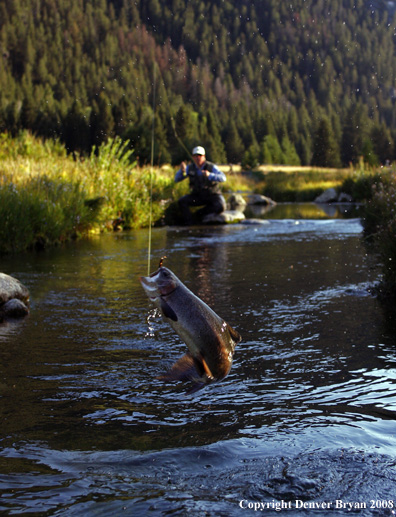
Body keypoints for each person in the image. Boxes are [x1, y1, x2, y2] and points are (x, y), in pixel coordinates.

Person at [174, 146, 227, 224]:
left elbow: (223, 178)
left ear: (204, 156)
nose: (197, 158)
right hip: (197, 196)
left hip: (212, 195)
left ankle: (198, 215)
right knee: (182, 201)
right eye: (195, 156)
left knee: (221, 206)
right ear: (193, 157)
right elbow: (177, 179)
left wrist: (210, 175)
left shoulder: (211, 167)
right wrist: (182, 171)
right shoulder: (189, 168)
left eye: (200, 156)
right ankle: (189, 222)